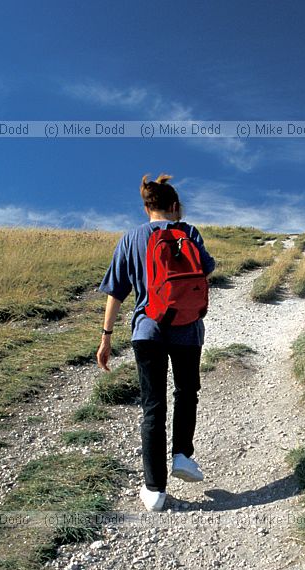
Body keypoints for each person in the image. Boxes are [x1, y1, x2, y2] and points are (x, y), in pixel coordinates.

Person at [96, 174, 216, 511]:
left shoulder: (130, 239)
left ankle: (154, 490)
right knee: (186, 393)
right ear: (174, 207)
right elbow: (204, 272)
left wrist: (106, 338)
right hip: (189, 329)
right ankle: (182, 455)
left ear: (147, 206)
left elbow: (115, 294)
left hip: (147, 330)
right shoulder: (188, 232)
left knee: (153, 406)